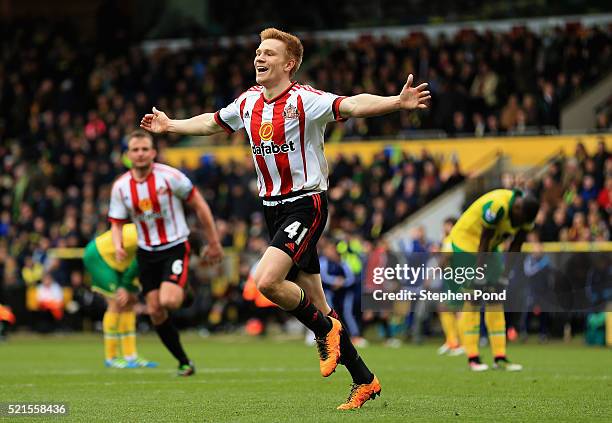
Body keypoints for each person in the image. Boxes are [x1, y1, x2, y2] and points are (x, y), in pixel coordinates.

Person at [140, 27, 429, 408]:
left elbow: (352, 104)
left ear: (289, 64)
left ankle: (325, 332)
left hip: (305, 204)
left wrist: (396, 102)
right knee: (318, 304)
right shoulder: (248, 103)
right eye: (258, 51)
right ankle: (365, 380)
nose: (259, 58)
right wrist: (170, 125)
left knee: (267, 281)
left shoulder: (305, 100)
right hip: (272, 209)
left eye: (269, 53)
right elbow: (211, 122)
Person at [108, 130, 223, 376]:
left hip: (175, 246)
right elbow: (116, 222)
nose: (140, 154)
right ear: (128, 155)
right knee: (155, 311)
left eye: (144, 149)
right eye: (135, 150)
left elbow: (199, 204)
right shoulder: (120, 187)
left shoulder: (170, 177)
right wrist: (118, 244)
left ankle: (185, 292)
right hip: (146, 252)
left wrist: (213, 241)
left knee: (169, 300)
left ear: (153, 152)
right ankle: (183, 361)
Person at [448, 189, 539, 371]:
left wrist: (504, 277)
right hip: (467, 242)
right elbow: (484, 238)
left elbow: (516, 245)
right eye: (520, 220)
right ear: (517, 208)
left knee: (495, 298)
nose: (520, 224)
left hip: (489, 247)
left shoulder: (527, 216)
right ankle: (473, 357)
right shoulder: (497, 205)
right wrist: (479, 276)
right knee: (473, 297)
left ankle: (500, 357)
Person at [83, 223, 157, 369]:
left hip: (119, 263)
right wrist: (124, 286)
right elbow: (138, 264)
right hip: (98, 256)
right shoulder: (144, 237)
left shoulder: (151, 235)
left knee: (130, 302)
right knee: (116, 302)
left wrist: (129, 288)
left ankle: (131, 356)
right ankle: (111, 357)